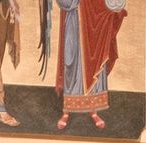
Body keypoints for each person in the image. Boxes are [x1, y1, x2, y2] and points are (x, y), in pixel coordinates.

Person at [39, 0, 126, 132]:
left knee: (95, 65)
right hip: (74, 18)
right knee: (70, 61)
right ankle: (67, 110)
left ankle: (93, 109)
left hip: (96, 20)